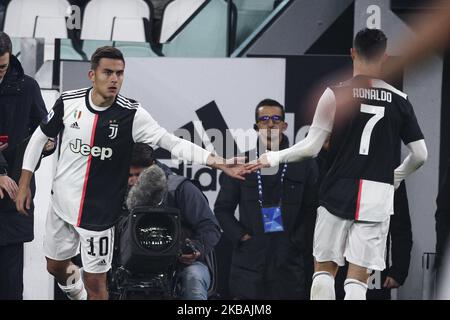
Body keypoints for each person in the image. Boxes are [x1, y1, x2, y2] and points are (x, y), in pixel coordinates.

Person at [14, 46, 247, 300]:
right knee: (55, 267)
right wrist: (24, 182)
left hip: (99, 214)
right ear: (92, 75)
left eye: (120, 73)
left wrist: (217, 161)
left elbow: (173, 142)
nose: (114, 79)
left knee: (96, 282)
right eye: (108, 72)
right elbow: (40, 137)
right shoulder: (68, 102)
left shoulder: (132, 114)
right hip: (61, 204)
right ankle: (78, 296)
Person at [249, 29, 428, 300]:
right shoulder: (400, 101)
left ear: (352, 53)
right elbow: (420, 154)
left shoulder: (335, 93)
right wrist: (396, 177)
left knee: (323, 271)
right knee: (358, 279)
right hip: (377, 194)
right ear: (385, 57)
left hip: (337, 189)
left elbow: (310, 147)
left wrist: (273, 157)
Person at [214, 99, 318, 299]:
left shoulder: (304, 164)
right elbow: (222, 209)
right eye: (264, 120)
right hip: (249, 261)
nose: (270, 124)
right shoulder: (242, 163)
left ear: (284, 125)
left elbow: (313, 208)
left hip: (289, 261)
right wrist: (241, 236)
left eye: (276, 119)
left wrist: (297, 241)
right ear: (256, 127)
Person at [125, 143, 221, 300]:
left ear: (152, 168)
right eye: (129, 175)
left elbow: (210, 227)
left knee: (193, 278)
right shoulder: (115, 191)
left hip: (181, 263)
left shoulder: (179, 188)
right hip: (130, 263)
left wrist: (195, 249)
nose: (133, 181)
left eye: (139, 175)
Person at [0, 31, 54, 299]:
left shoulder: (28, 87)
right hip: (6, 183)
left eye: (2, 67)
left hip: (14, 195)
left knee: (10, 283)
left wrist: (47, 145)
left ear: (10, 59)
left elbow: (44, 129)